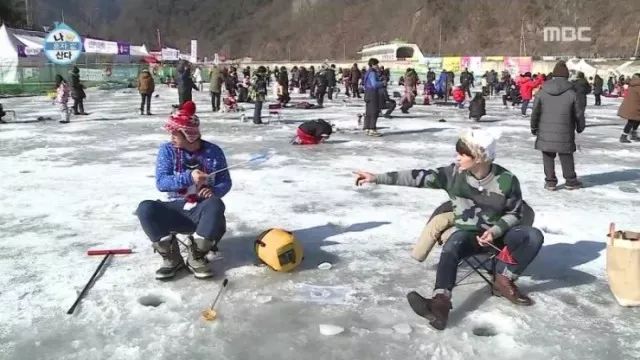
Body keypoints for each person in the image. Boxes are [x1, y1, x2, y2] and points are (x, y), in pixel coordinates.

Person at [354, 129, 544, 330]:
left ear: (479, 157)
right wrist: (376, 178)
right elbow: (417, 177)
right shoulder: (452, 174)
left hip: (501, 235)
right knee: (453, 243)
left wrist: (495, 231)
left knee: (533, 236)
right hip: (469, 234)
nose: (457, 158)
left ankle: (504, 279)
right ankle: (439, 303)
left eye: (462, 154)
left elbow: (515, 213)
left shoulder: (506, 179)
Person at [136, 100, 231, 280]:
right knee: (145, 208)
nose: (171, 137)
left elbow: (225, 182)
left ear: (190, 135)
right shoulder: (167, 150)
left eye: (175, 133)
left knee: (215, 204)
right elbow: (162, 182)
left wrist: (214, 192)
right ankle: (172, 258)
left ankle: (197, 256)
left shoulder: (214, 151)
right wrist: (189, 177)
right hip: (175, 208)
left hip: (202, 211)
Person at [530, 61, 585, 191]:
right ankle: (570, 181)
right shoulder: (572, 93)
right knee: (566, 155)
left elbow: (535, 112)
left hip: (545, 130)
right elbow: (579, 113)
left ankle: (550, 182)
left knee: (548, 156)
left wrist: (533, 127)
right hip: (565, 130)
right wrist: (580, 126)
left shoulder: (542, 92)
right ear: (567, 76)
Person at [363, 58, 384, 136]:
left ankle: (367, 128)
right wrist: (382, 83)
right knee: (374, 112)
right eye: (376, 64)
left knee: (368, 111)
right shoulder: (372, 73)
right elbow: (374, 84)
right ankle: (372, 129)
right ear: (372, 65)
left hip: (367, 93)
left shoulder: (368, 72)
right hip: (372, 93)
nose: (377, 66)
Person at [617, 73, 640, 143]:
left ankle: (633, 134)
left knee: (637, 120)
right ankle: (623, 136)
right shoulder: (638, 86)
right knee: (631, 121)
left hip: (632, 106)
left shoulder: (632, 84)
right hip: (634, 107)